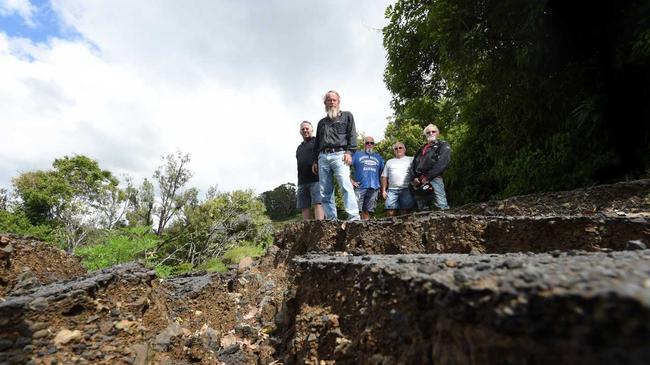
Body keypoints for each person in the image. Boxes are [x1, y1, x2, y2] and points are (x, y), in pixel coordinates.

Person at [311, 90, 360, 220]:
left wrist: (350, 152)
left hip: (340, 155)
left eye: (334, 100)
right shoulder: (321, 123)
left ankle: (354, 217)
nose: (331, 102)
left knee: (345, 185)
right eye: (329, 100)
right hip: (323, 157)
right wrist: (315, 161)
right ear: (325, 103)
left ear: (339, 101)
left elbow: (352, 136)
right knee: (325, 191)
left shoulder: (347, 116)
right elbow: (317, 144)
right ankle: (332, 220)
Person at [408, 124, 451, 211]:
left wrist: (428, 177)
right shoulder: (421, 149)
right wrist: (414, 178)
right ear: (425, 135)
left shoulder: (442, 145)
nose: (431, 133)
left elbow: (443, 162)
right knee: (422, 209)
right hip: (419, 181)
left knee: (441, 206)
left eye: (433, 131)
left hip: (434, 178)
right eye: (428, 132)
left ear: (438, 133)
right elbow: (413, 164)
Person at [296, 121, 324, 220]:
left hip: (316, 179)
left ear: (312, 130)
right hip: (302, 181)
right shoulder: (299, 148)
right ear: (300, 131)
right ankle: (306, 230)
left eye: (307, 128)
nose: (305, 130)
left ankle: (320, 226)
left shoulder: (317, 141)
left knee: (318, 202)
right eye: (303, 129)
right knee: (304, 206)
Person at [351, 136, 384, 220]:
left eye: (371, 143)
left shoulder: (379, 157)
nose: (369, 144)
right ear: (364, 144)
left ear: (374, 145)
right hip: (360, 187)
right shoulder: (357, 154)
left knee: (368, 211)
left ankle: (366, 229)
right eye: (367, 143)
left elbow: (383, 173)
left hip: (374, 187)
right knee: (356, 210)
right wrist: (351, 181)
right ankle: (356, 228)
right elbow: (345, 167)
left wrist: (382, 187)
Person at [380, 142, 415, 216]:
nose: (398, 149)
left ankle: (405, 227)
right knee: (390, 210)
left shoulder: (411, 159)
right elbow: (384, 176)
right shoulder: (389, 162)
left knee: (405, 212)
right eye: (396, 148)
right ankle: (390, 227)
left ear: (404, 149)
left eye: (400, 148)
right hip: (392, 190)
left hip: (407, 189)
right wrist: (383, 190)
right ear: (394, 151)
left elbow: (418, 171)